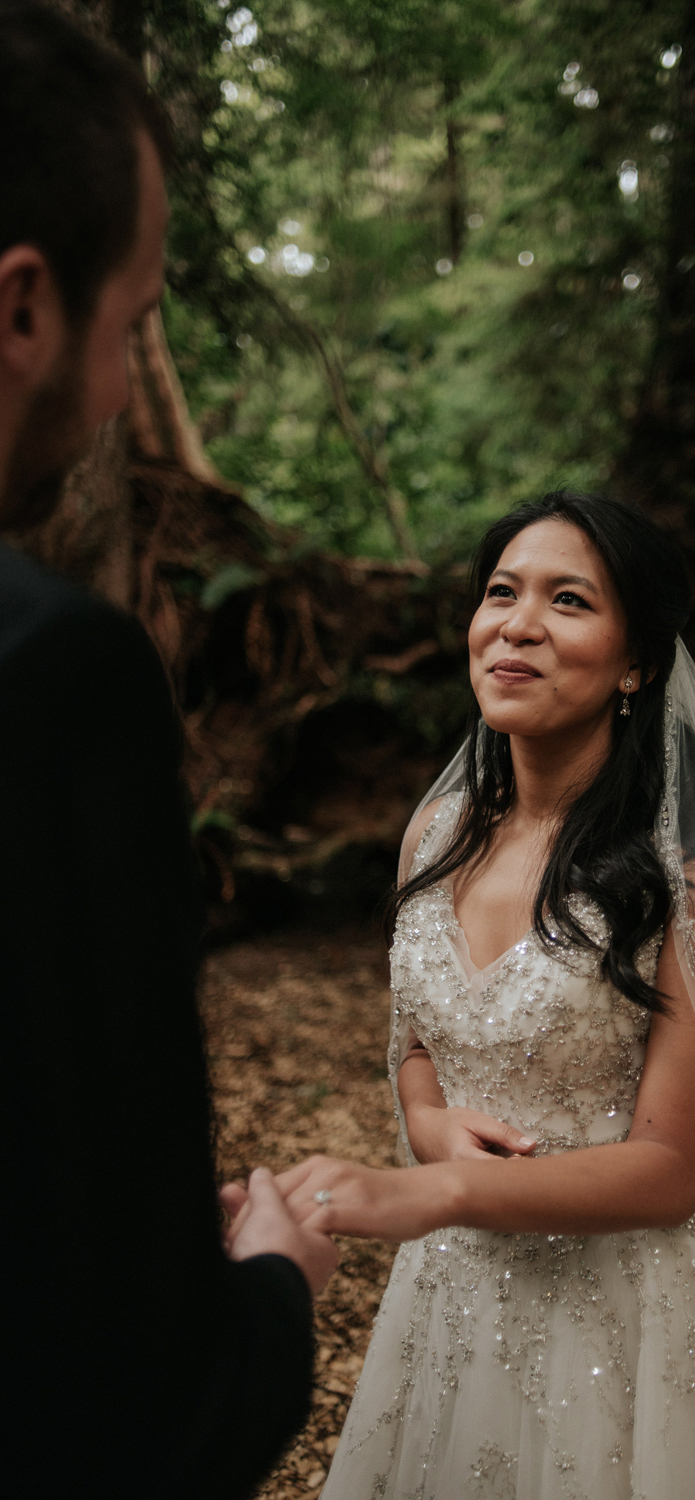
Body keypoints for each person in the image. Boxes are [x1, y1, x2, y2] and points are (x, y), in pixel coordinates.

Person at [236, 491, 695, 1498]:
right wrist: (429, 1125)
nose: (517, 623)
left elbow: (669, 1169)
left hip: (629, 1322)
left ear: (637, 662)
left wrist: (432, 1190)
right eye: (500, 593)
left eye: (568, 600)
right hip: (456, 1292)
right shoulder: (435, 835)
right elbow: (419, 1043)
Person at [0, 3, 337, 1496]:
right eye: (131, 324)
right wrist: (270, 1286)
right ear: (23, 307)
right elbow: (140, 1407)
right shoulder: (52, 673)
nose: (131, 388)